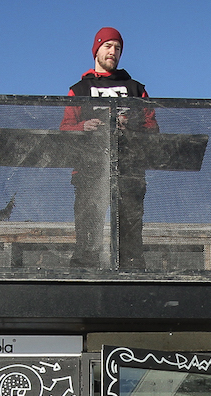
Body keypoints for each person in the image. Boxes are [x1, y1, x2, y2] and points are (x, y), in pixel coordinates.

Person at [61, 26, 159, 267]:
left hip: (130, 171)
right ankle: (83, 281)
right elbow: (64, 129)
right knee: (87, 234)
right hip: (89, 171)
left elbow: (153, 128)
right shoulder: (79, 90)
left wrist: (130, 128)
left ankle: (133, 282)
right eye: (107, 45)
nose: (113, 51)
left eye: (117, 48)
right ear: (96, 49)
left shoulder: (136, 89)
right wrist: (84, 126)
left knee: (131, 239)